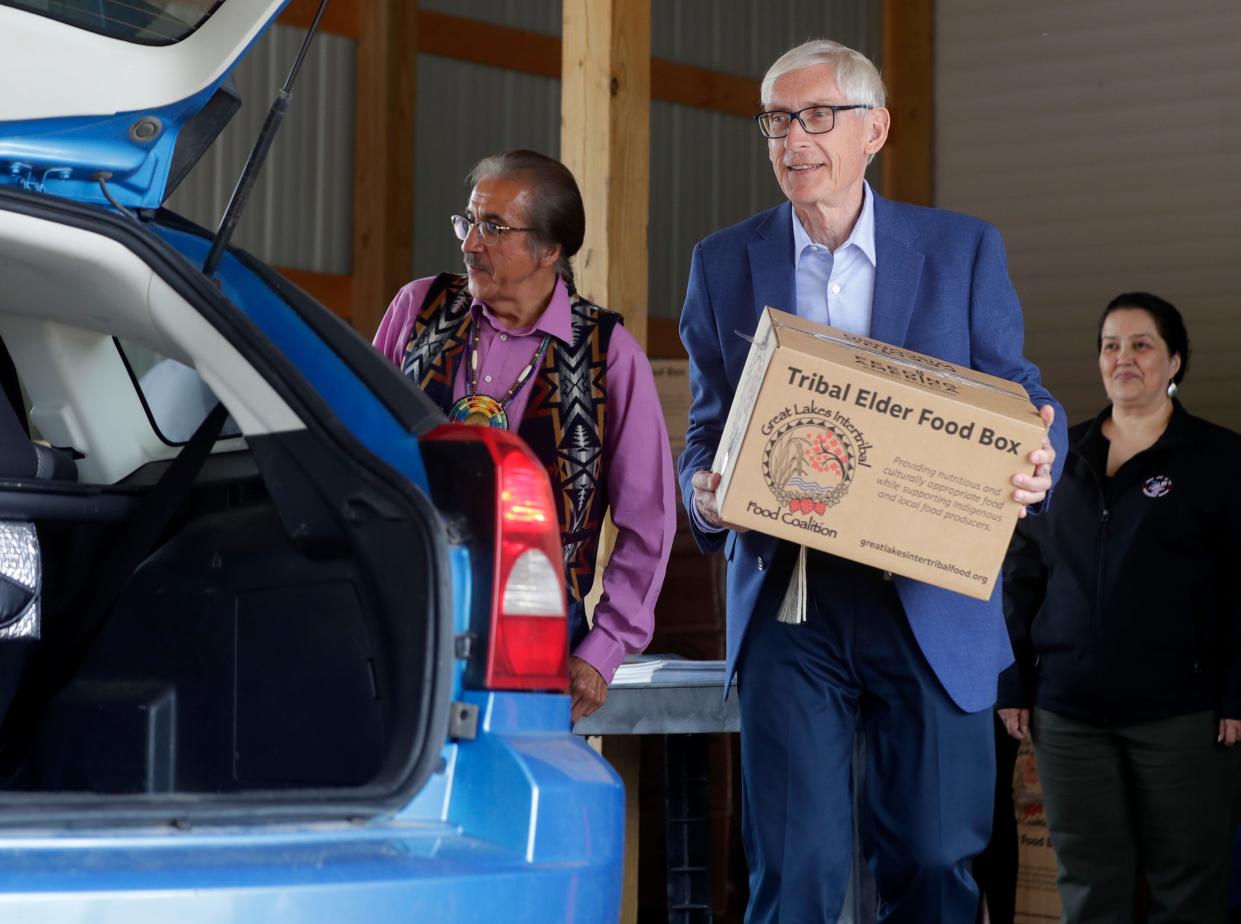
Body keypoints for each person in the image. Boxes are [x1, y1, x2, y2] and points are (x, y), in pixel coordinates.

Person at [678, 39, 1067, 922]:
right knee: (797, 872)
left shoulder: (959, 249)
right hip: (791, 600)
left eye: (818, 116)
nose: (794, 139)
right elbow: (705, 430)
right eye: (777, 120)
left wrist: (1043, 457)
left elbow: (1021, 397)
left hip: (926, 599)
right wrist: (702, 488)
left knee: (933, 861)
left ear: (874, 131)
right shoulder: (723, 261)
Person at [373, 149, 676, 722]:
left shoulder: (608, 354)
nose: (470, 243)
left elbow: (650, 520)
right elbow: (358, 444)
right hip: (406, 602)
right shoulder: (417, 309)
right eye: (469, 221)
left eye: (493, 228)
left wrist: (603, 649)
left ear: (550, 249)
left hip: (537, 624)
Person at [998, 292, 1241, 923]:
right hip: (1070, 714)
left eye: (1141, 345)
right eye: (1111, 345)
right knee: (1088, 882)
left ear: (1174, 361)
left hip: (1181, 714)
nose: (1123, 358)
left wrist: (1236, 694)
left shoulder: (1219, 461)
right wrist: (1015, 683)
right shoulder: (1060, 459)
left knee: (1187, 882)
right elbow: (1022, 576)